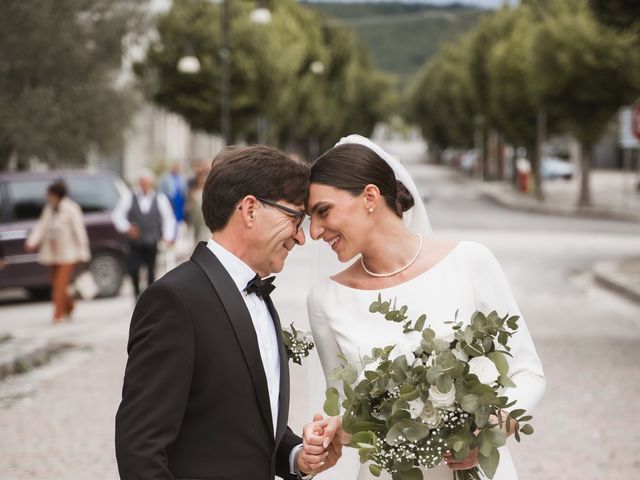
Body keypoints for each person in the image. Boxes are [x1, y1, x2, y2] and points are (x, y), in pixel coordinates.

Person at [306, 135, 546, 480]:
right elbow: (350, 410)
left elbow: (528, 372)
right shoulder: (325, 299)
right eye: (310, 218)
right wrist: (334, 430)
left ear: (370, 197)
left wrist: (489, 429)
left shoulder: (469, 262)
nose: (314, 231)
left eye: (323, 211)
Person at [115, 145, 343, 480]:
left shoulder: (260, 295)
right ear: (250, 209)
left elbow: (241, 424)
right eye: (294, 218)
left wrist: (295, 455)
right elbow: (140, 449)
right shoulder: (174, 301)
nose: (300, 237)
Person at [25, 179, 90, 323]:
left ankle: (57, 315)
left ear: (57, 195)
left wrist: (83, 252)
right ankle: (70, 306)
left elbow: (79, 231)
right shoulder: (48, 209)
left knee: (60, 285)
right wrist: (31, 242)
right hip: (51, 254)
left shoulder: (72, 208)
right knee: (57, 285)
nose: (48, 197)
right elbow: (40, 227)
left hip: (68, 254)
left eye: (51, 194)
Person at [111, 170, 176, 298]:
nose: (145, 186)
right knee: (133, 269)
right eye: (142, 183)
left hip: (152, 240)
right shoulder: (129, 197)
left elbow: (169, 218)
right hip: (135, 241)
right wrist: (127, 228)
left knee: (151, 271)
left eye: (147, 183)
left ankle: (148, 298)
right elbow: (117, 215)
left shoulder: (160, 198)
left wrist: (168, 236)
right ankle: (136, 294)